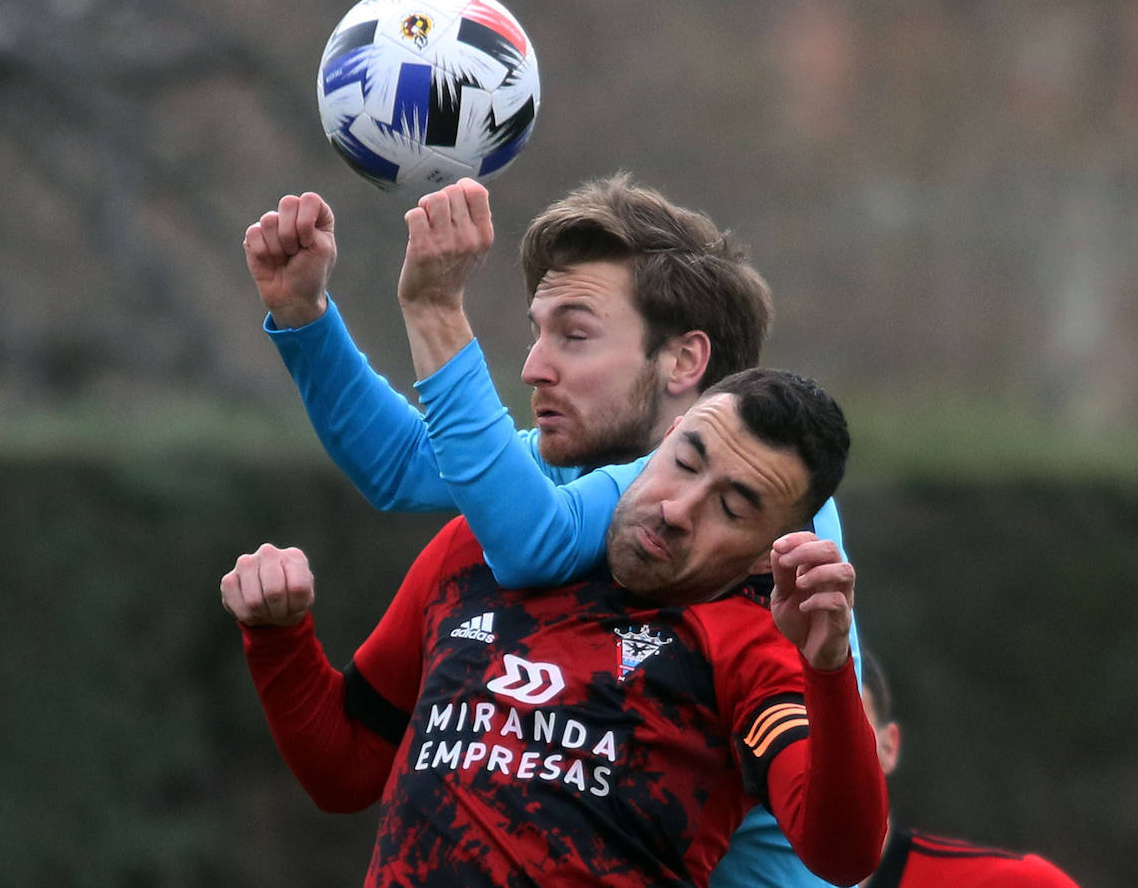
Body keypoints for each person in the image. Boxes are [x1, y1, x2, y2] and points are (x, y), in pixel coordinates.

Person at [243, 176, 866, 886]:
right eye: (539, 331)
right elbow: (411, 461)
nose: (535, 367)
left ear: (684, 363)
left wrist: (439, 311)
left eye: (574, 335)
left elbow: (533, 539)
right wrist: (305, 317)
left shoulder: (765, 517)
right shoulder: (575, 480)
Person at [222, 367, 888, 888]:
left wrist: (828, 670)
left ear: (772, 542)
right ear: (667, 434)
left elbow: (842, 853)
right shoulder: (476, 553)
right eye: (686, 461)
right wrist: (279, 635)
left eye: (732, 506)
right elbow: (345, 771)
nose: (681, 507)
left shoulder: (750, 638)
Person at [857, 650, 1083, 888]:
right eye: (812, 729)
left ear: (889, 747)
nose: (823, 750)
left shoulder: (1017, 883)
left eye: (848, 729)